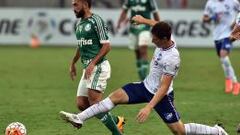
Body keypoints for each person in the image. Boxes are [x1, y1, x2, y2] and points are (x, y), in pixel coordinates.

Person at [60, 16, 228, 135]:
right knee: (115, 96)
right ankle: (79, 118)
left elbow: (163, 88)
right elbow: (159, 23)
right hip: (144, 86)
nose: (152, 41)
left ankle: (216, 131)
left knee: (179, 131)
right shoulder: (166, 34)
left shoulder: (172, 58)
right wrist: (143, 20)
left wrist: (148, 107)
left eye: (154, 39)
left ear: (163, 39)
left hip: (161, 96)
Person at [66, 0, 125, 134]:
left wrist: (92, 63)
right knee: (82, 104)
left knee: (94, 103)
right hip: (87, 68)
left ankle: (117, 132)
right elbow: (81, 46)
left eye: (76, 4)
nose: (73, 8)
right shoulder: (80, 24)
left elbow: (106, 46)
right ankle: (116, 121)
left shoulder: (96, 20)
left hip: (98, 66)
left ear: (85, 4)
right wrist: (73, 62)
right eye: (72, 5)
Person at [202, 0, 240, 95]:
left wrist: (236, 22)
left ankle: (235, 83)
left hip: (228, 34)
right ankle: (228, 81)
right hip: (217, 35)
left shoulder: (233, 2)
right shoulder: (210, 3)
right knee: (223, 60)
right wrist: (212, 18)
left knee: (224, 57)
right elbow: (204, 19)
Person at [116, 0, 160, 80]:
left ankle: (144, 77)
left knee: (143, 49)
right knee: (137, 53)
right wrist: (119, 22)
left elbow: (155, 12)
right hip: (133, 29)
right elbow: (124, 10)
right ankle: (141, 78)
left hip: (145, 28)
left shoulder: (150, 1)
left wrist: (159, 26)